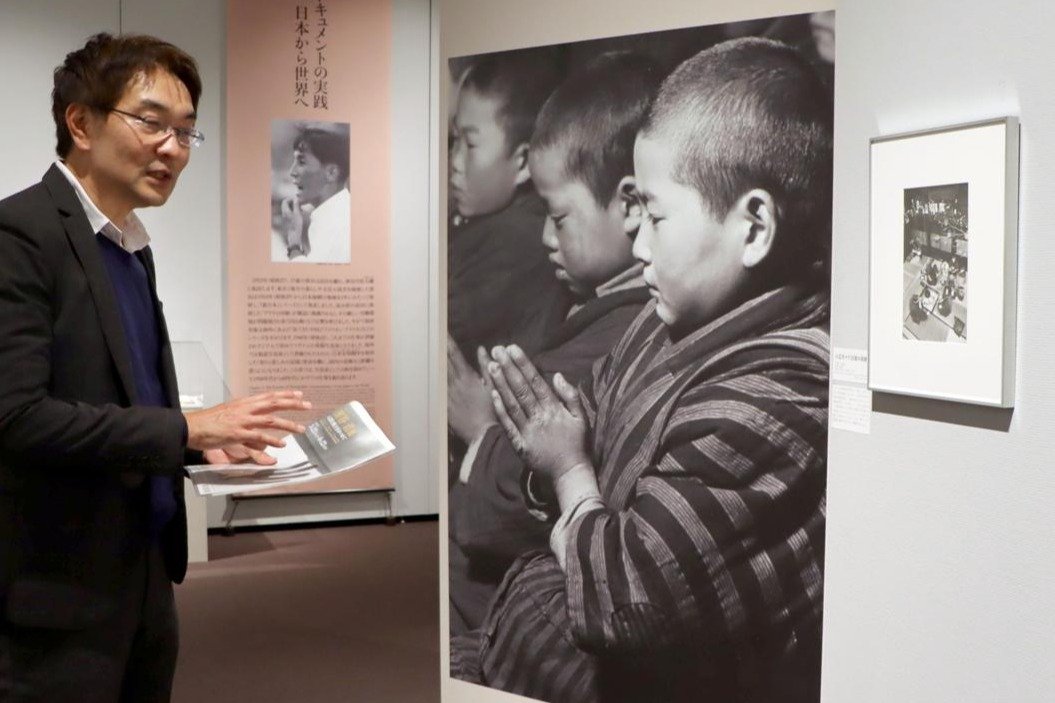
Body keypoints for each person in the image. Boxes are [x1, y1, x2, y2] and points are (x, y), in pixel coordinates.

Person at [453, 37, 832, 702]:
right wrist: (558, 451)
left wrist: (569, 469)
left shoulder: (773, 397)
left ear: (752, 227)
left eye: (655, 214)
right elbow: (586, 426)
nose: (637, 240)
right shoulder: (665, 323)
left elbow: (622, 600)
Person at [0, 33, 309, 702]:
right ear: (80, 122)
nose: (172, 148)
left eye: (187, 133)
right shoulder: (20, 235)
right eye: (151, 122)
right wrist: (186, 428)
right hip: (55, 592)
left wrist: (200, 450)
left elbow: (128, 396)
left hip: (142, 575)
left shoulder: (131, 246)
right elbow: (17, 416)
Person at [447, 51, 658, 635]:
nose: (545, 235)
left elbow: (488, 517)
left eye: (559, 217)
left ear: (632, 205)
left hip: (497, 619)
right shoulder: (595, 306)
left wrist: (483, 430)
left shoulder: (619, 336)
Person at [447, 51, 571, 362]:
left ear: (522, 162)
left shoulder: (517, 239)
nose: (455, 162)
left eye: (471, 144)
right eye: (454, 140)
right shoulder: (490, 220)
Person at [275, 125, 351, 264]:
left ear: (331, 173)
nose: (292, 172)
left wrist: (294, 244)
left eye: (302, 162)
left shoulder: (341, 225)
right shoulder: (336, 215)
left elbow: (310, 283)